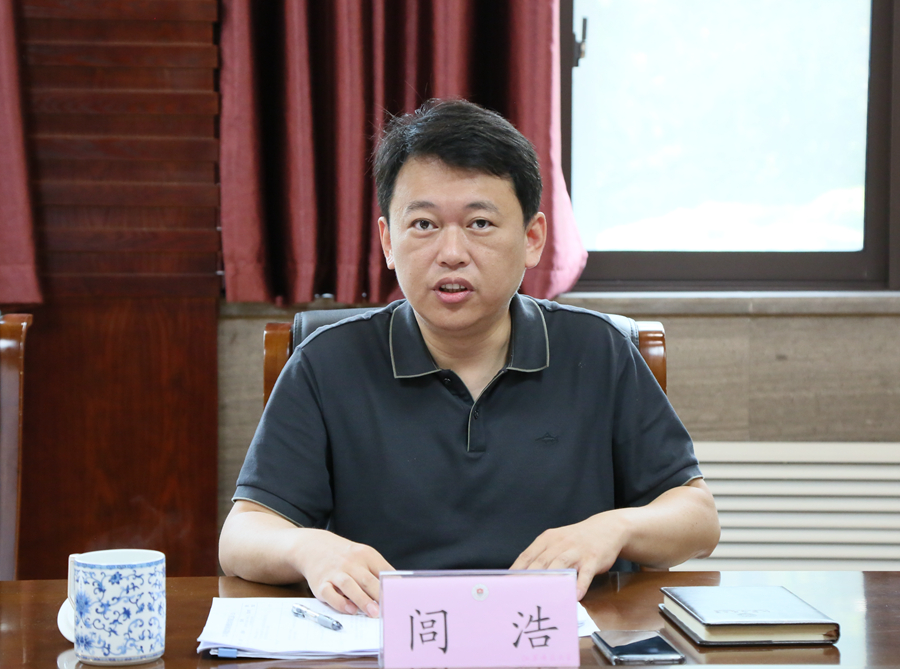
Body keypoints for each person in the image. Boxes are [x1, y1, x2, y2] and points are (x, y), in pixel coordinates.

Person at [219, 99, 719, 619]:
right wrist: (309, 548)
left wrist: (613, 529)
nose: (451, 252)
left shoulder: (597, 352)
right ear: (388, 241)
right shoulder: (328, 363)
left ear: (532, 239)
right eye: (424, 224)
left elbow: (698, 519)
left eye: (480, 223)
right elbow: (241, 535)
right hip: (388, 638)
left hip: (558, 640)